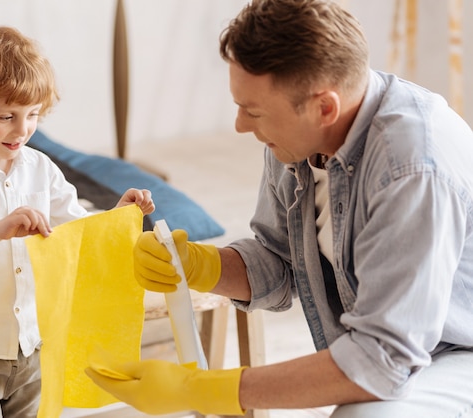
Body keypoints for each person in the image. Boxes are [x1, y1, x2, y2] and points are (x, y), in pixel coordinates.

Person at [85, 0, 473, 416]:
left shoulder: (411, 167)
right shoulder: (296, 140)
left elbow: (383, 362)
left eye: (252, 111)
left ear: (324, 107)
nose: (240, 125)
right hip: (397, 351)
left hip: (454, 352)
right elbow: (281, 262)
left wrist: (203, 389)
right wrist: (201, 265)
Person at [0, 26, 154, 417]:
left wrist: (117, 215)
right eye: (6, 116)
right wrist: (0, 228)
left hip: (31, 347)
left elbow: (76, 230)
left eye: (33, 116)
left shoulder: (40, 167)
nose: (22, 129)